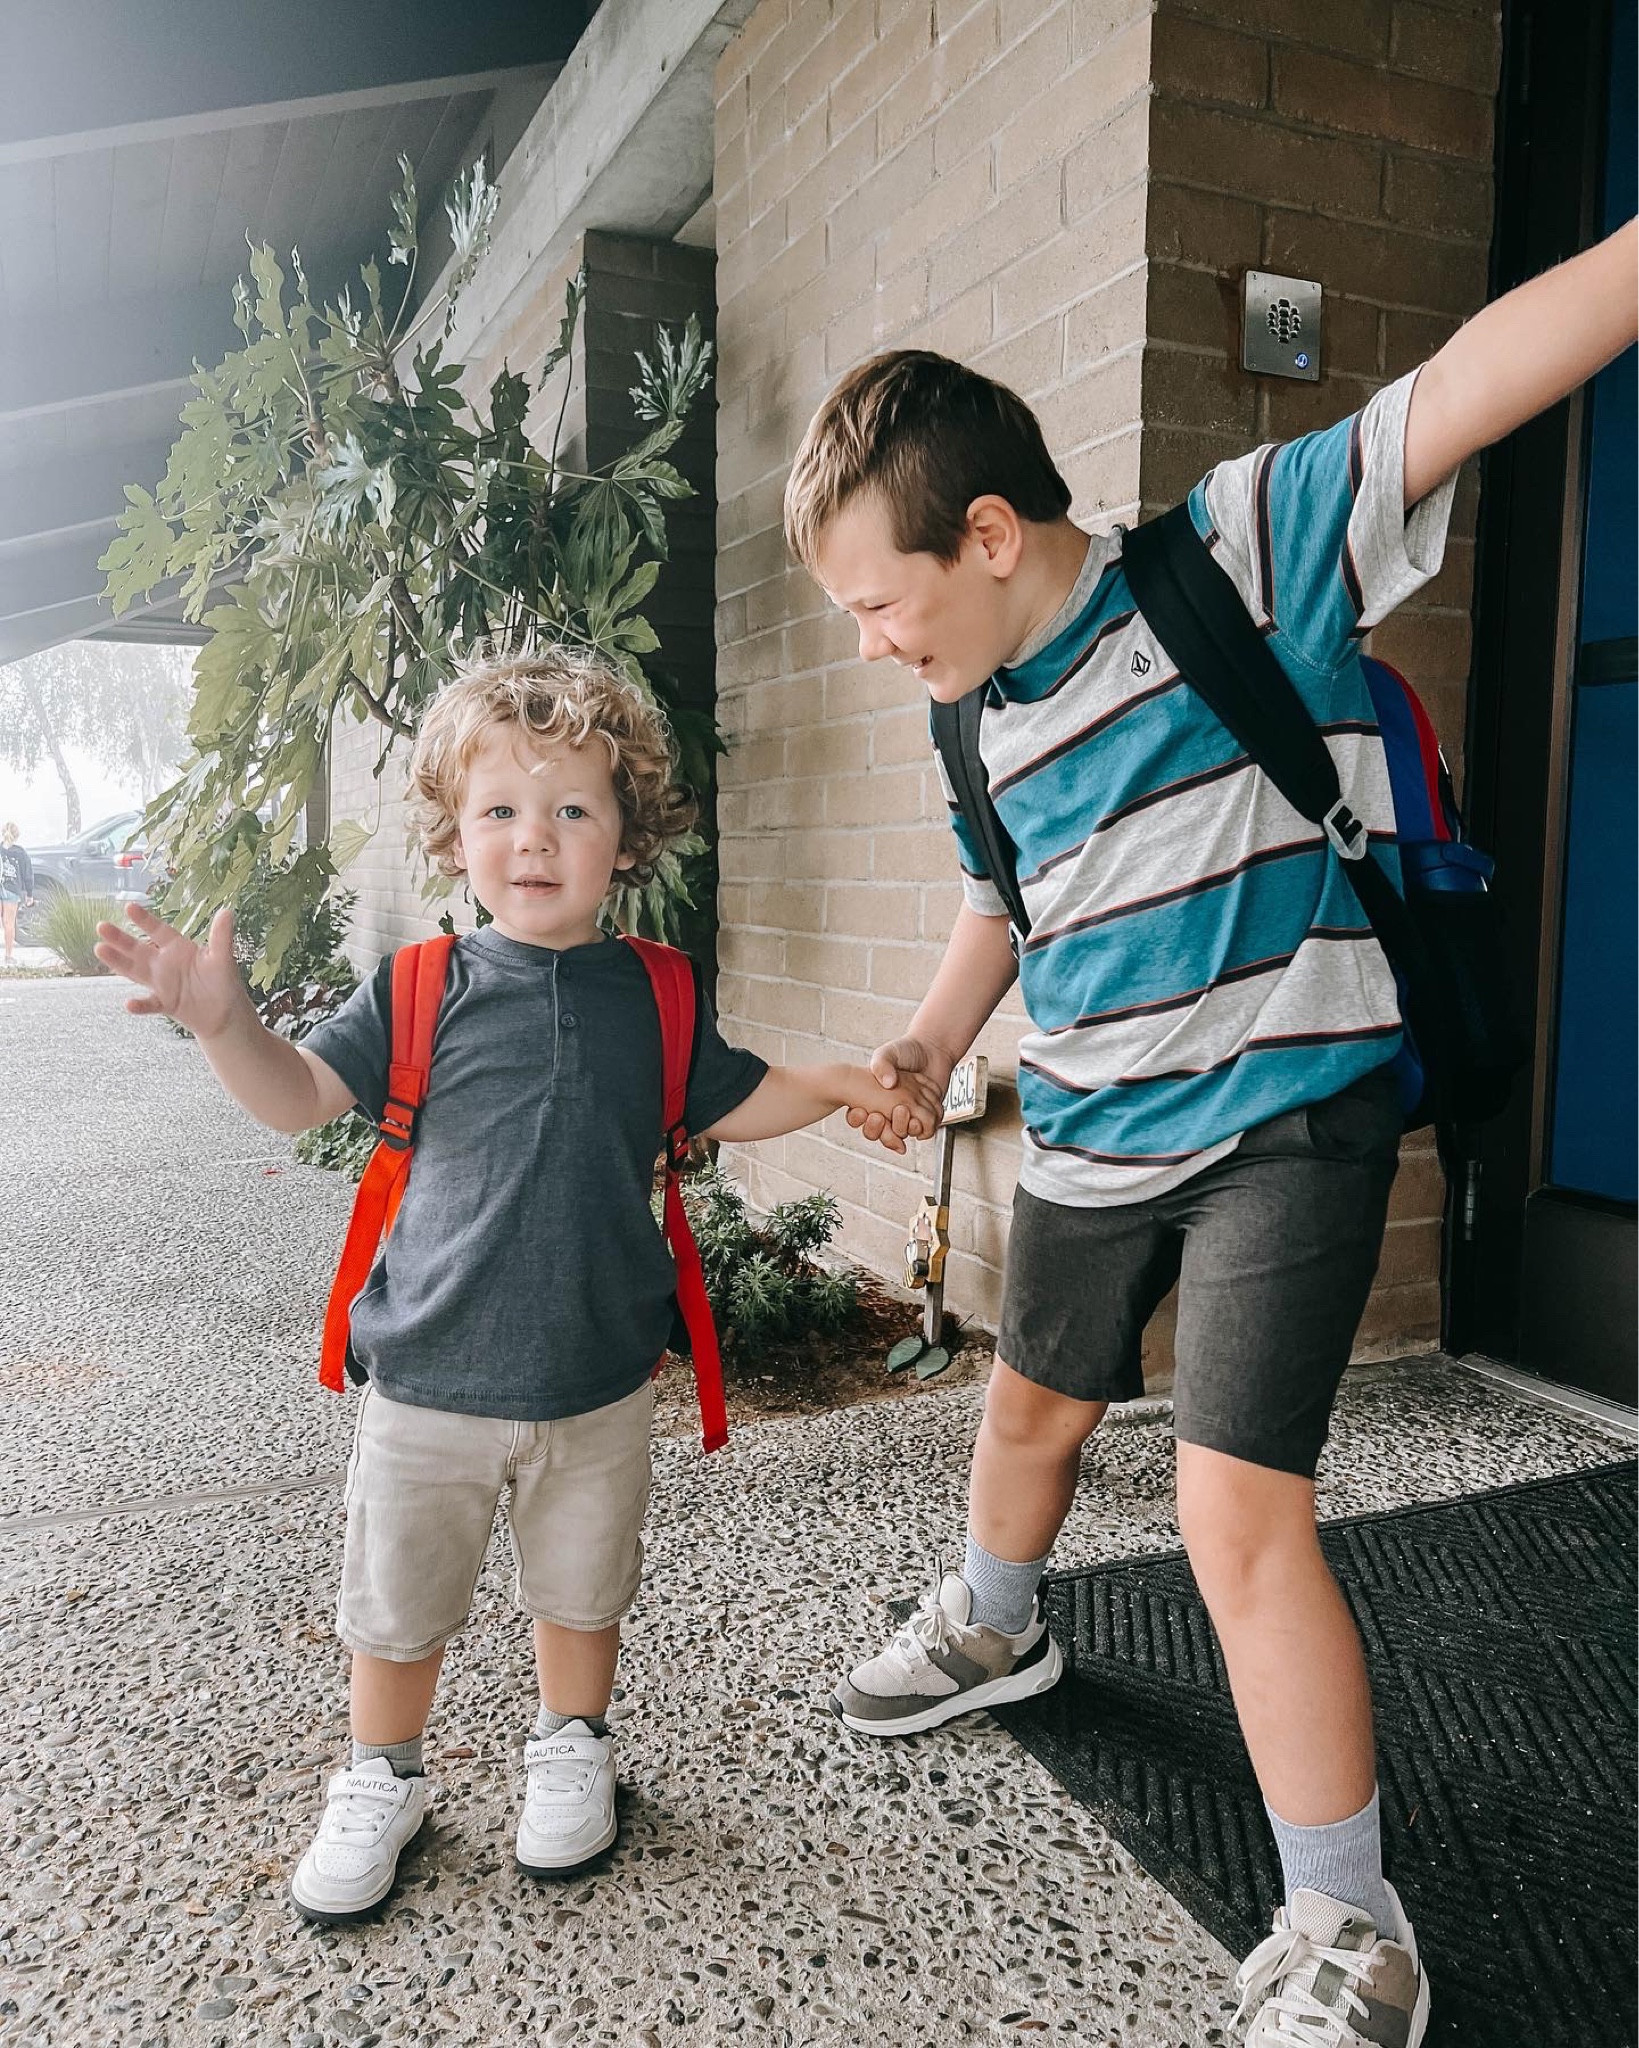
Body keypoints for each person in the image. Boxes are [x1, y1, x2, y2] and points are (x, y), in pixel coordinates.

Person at [783, 220, 1637, 2046]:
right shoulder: (969, 723)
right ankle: (996, 1622)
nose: (867, 643)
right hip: (1088, 1134)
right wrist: (928, 1040)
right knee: (1025, 1414)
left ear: (985, 535)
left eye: (875, 602)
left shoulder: (1233, 555)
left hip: (1283, 1120)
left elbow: (1462, 383)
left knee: (1231, 1509)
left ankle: (1345, 1923)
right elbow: (999, 901)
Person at [95, 648, 940, 1925]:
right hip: (428, 1373)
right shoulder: (418, 988)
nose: (532, 837)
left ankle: (572, 1742)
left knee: (582, 1588)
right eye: (499, 808)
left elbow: (735, 1094)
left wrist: (835, 1082)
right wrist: (226, 1025)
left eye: (571, 809)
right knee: (397, 1604)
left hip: (597, 1371)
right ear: (453, 836)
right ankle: (382, 1773)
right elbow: (297, 1097)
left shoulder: (658, 992)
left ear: (625, 839)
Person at [0, 824, 34, 968]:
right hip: (12, 890)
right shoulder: (21, 853)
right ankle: (8, 957)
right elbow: (28, 875)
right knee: (9, 924)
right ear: (16, 835)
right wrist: (29, 894)